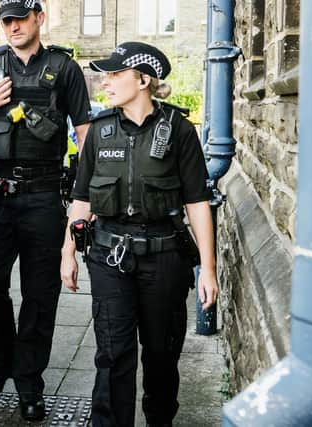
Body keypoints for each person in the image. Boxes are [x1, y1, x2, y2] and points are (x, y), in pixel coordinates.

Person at [60, 42, 218, 427]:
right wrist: (67, 251)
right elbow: (81, 198)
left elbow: (197, 202)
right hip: (109, 255)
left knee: (162, 356)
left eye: (115, 74)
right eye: (106, 74)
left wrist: (209, 269)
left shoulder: (179, 130)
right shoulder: (98, 132)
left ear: (143, 79)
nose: (106, 81)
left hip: (164, 258)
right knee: (112, 355)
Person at [0, 0, 91, 421]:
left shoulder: (64, 69)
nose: (13, 26)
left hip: (42, 196)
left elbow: (86, 137)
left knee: (40, 295)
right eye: (6, 21)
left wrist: (85, 200)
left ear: (39, 18)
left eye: (20, 18)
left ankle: (29, 381)